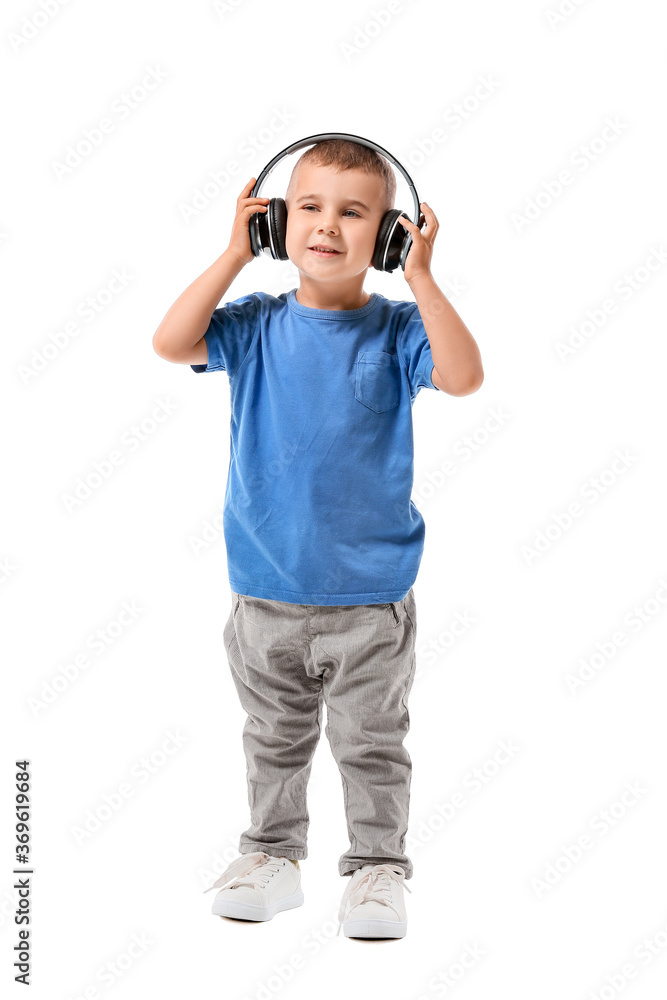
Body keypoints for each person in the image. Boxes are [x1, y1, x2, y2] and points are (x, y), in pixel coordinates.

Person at [153, 138, 484, 939]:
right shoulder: (254, 326)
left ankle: (376, 871)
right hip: (263, 591)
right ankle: (272, 855)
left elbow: (463, 375)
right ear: (275, 225)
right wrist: (234, 253)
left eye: (353, 212)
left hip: (368, 600)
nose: (327, 225)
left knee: (371, 745)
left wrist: (424, 279)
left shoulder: (400, 330)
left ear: (390, 237)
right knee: (273, 738)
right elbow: (170, 342)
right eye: (308, 207)